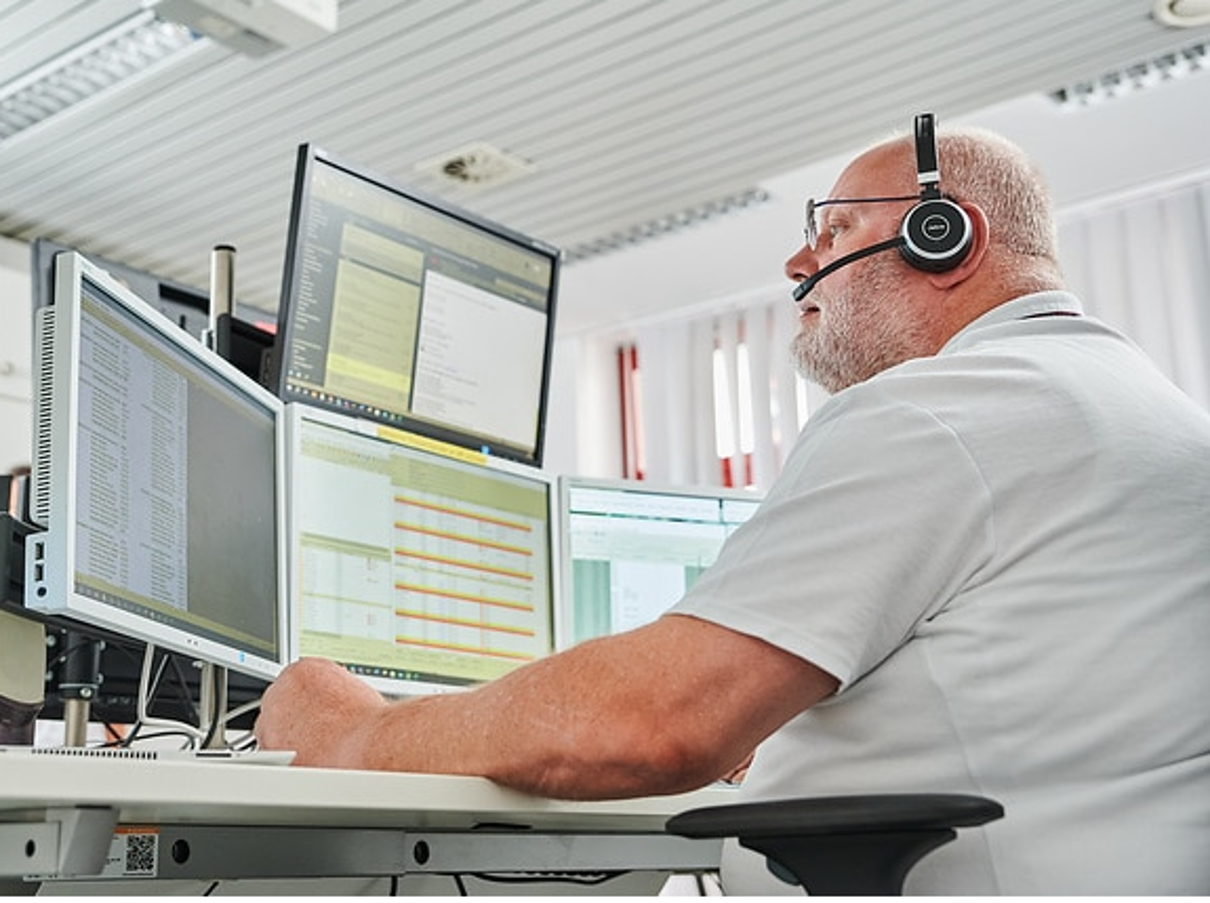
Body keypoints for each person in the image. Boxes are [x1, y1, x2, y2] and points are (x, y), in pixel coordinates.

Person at [255, 121, 1210, 894]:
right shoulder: (1143, 407)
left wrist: (353, 733)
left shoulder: (938, 411)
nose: (800, 263)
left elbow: (644, 726)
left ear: (943, 235)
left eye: (832, 231)